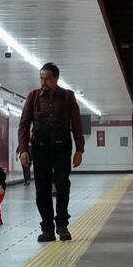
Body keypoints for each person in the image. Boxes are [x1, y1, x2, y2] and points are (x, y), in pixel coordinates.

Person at [18, 62, 84, 242]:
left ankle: (62, 225)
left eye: (47, 78)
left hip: (62, 146)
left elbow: (76, 124)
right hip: (40, 147)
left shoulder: (68, 96)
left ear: (56, 79)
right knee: (42, 189)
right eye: (41, 78)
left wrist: (79, 150)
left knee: (62, 184)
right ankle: (47, 228)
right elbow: (24, 124)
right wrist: (24, 149)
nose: (43, 82)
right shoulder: (33, 97)